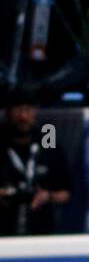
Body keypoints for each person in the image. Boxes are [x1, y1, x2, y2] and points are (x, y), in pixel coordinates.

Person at [0, 87, 73, 237]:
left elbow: (67, 192)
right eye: (17, 110)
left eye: (28, 109)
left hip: (41, 233)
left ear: (36, 111)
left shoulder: (48, 141)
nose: (23, 116)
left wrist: (48, 196)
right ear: (7, 113)